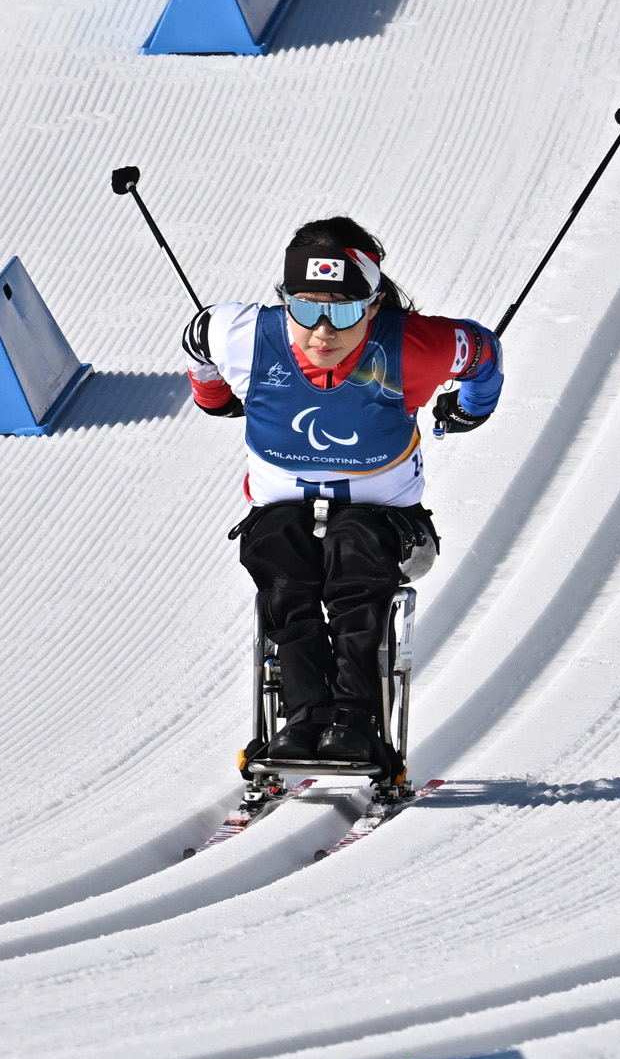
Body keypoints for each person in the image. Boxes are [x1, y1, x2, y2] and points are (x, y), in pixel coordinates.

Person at [184, 216, 503, 771]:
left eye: (345, 312)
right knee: (281, 553)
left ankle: (355, 717)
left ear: (374, 306)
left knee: (353, 549)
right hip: (282, 514)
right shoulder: (240, 336)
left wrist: (471, 408)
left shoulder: (412, 347)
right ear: (284, 301)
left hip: (387, 525)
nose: (323, 333)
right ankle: (305, 717)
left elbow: (483, 353)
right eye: (305, 309)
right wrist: (214, 396)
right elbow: (197, 343)